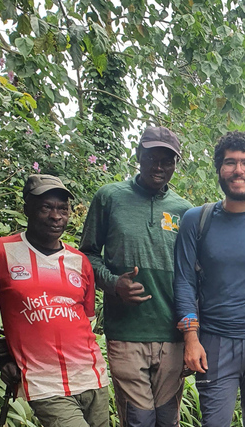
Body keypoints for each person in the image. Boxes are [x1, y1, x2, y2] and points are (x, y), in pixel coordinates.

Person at [80, 126, 192, 427]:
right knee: (139, 420)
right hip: (127, 333)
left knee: (167, 420)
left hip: (172, 335)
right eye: (151, 157)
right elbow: (87, 255)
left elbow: (194, 274)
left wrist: (193, 335)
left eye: (167, 160)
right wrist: (114, 283)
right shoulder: (110, 198)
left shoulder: (185, 211)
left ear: (175, 164)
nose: (158, 166)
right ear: (138, 155)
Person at [173, 131, 245, 427]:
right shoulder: (196, 220)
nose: (238, 170)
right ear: (219, 170)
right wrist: (191, 338)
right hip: (214, 343)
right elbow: (184, 281)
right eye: (230, 162)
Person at [0, 175, 108, 427]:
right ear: (27, 209)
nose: (56, 216)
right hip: (45, 384)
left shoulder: (79, 261)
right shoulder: (3, 252)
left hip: (93, 378)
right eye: (46, 207)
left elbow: (85, 322)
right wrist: (1, 355)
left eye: (62, 209)